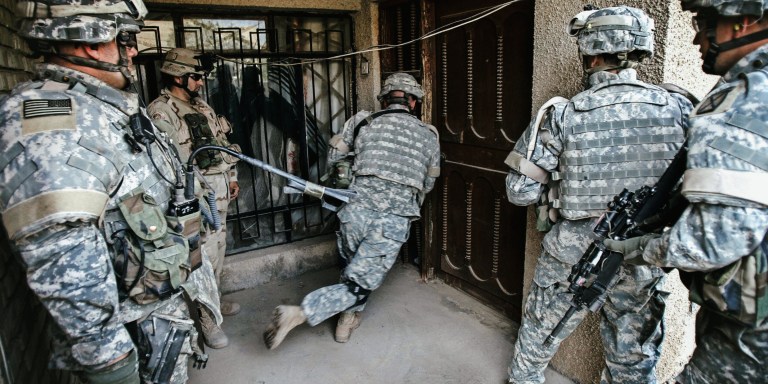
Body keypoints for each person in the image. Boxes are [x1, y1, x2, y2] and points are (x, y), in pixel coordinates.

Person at [0, 0, 221, 383]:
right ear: (91, 42)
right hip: (135, 328)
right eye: (126, 38)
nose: (132, 50)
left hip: (159, 307)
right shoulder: (53, 122)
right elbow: (68, 269)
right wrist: (114, 369)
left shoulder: (102, 106)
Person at [503, 6, 693, 384]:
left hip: (575, 252)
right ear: (639, 51)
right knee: (633, 359)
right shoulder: (681, 107)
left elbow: (520, 191)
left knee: (538, 340)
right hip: (644, 252)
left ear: (590, 54)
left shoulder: (564, 114)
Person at [604, 0, 768, 382]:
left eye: (703, 22)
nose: (695, 36)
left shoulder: (746, 99)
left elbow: (713, 240)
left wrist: (644, 249)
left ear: (741, 23)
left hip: (751, 338)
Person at [262, 72, 441, 349]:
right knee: (361, 281)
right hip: (391, 220)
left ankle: (345, 323)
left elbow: (334, 161)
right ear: (413, 103)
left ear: (384, 101)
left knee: (351, 265)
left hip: (354, 210)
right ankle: (305, 313)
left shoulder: (361, 121)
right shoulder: (428, 135)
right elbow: (428, 183)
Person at [148, 48, 242, 349]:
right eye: (195, 78)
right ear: (178, 77)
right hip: (196, 197)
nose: (200, 83)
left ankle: (216, 301)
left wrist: (232, 178)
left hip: (220, 192)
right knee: (203, 257)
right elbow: (168, 165)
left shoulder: (203, 107)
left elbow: (222, 145)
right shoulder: (161, 111)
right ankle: (207, 319)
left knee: (220, 248)